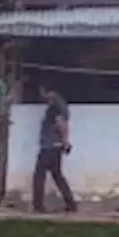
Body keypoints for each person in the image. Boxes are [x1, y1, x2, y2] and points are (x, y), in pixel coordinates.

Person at [33, 85, 77, 213]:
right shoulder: (61, 106)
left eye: (43, 92)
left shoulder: (55, 108)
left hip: (49, 147)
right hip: (55, 147)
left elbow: (61, 124)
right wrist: (64, 143)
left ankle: (38, 205)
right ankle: (71, 203)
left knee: (39, 175)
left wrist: (65, 142)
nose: (42, 96)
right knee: (57, 175)